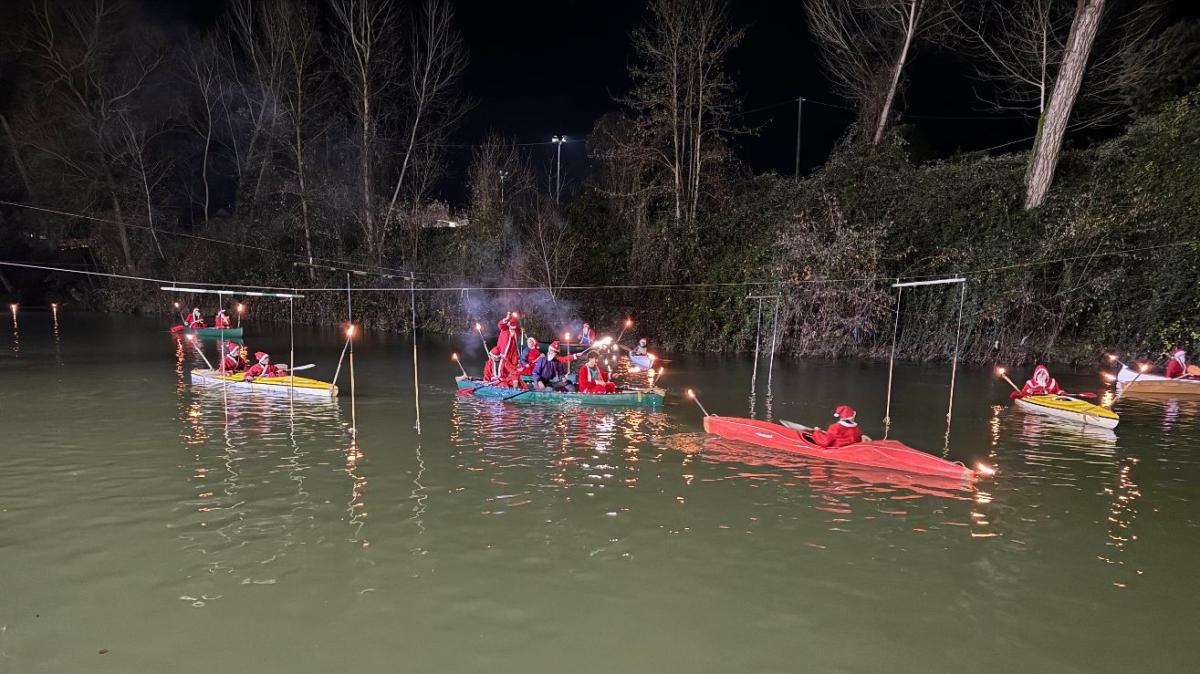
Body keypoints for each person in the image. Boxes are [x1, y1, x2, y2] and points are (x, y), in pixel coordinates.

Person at [484, 313, 522, 381]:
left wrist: (521, 329)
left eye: (513, 327)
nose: (512, 329)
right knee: (501, 364)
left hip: (513, 351)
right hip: (503, 351)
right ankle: (497, 377)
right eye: (511, 327)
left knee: (513, 364)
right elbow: (500, 325)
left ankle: (512, 378)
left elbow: (520, 331)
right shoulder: (505, 329)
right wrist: (506, 318)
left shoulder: (516, 331)